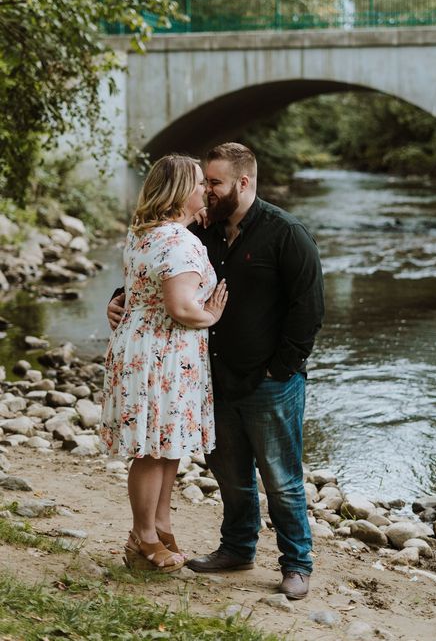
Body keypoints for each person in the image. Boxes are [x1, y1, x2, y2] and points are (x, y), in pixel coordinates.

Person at [108, 143, 324, 598]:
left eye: (215, 182)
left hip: (269, 380)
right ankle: (237, 549)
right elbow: (160, 272)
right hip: (210, 375)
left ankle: (296, 564)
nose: (207, 190)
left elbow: (309, 308)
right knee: (230, 475)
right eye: (202, 182)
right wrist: (120, 296)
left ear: (243, 183)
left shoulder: (287, 233)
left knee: (282, 480)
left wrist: (280, 369)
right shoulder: (201, 231)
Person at [101, 154, 227, 572]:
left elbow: (141, 292)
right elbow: (179, 307)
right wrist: (210, 315)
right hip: (163, 354)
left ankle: (160, 524)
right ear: (178, 194)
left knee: (166, 445)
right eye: (197, 185)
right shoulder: (178, 240)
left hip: (146, 348)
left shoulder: (145, 233)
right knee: (153, 451)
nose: (204, 191)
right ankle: (143, 537)